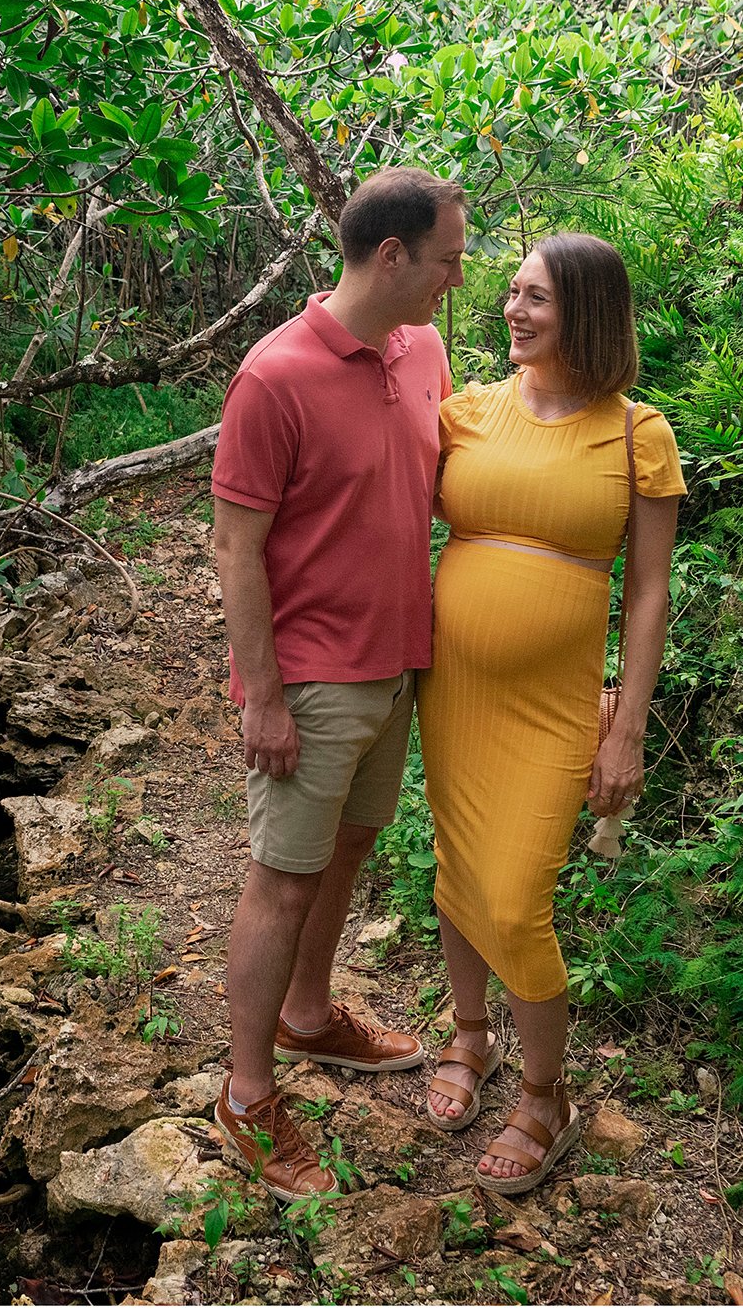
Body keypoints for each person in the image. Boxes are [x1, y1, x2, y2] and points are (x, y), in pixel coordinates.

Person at [207, 167, 466, 1200]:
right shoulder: (273, 376)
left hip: (398, 664)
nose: (458, 276)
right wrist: (261, 696)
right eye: (447, 256)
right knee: (282, 877)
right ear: (391, 255)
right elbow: (234, 547)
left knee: (347, 848)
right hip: (312, 680)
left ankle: (308, 1015)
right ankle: (244, 1093)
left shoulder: (423, 350)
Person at [416, 232, 683, 1195]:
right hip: (453, 690)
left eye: (535, 298)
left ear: (588, 313)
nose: (512, 311)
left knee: (519, 896)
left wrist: (628, 726)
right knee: (460, 869)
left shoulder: (635, 435)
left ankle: (545, 1095)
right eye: (511, 293)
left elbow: (648, 592)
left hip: (555, 703)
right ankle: (469, 1036)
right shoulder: (467, 413)